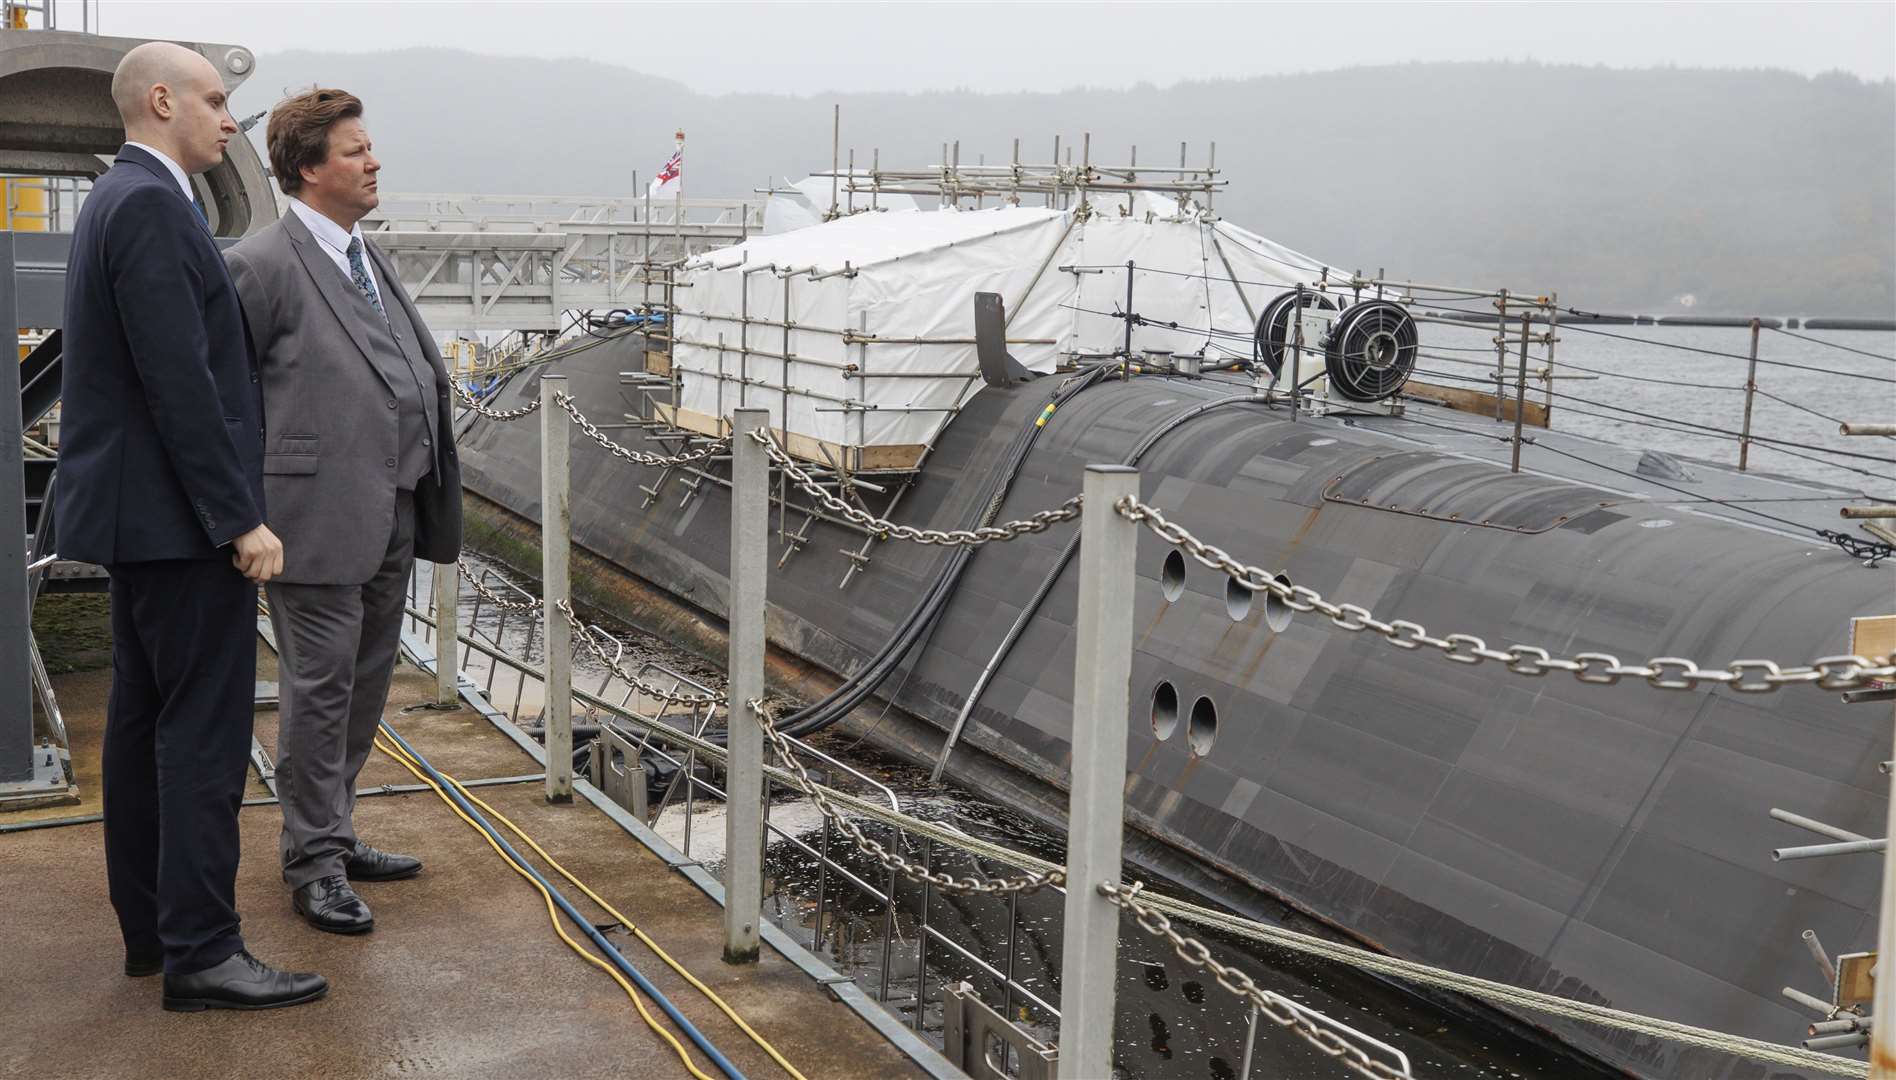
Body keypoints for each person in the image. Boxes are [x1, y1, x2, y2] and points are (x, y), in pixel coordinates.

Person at [57, 42, 325, 1011]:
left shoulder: (115, 204)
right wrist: (239, 520)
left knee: (140, 732)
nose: (229, 118)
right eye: (215, 100)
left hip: (141, 522)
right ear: (161, 100)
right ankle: (204, 950)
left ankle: (154, 935)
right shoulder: (151, 208)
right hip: (180, 527)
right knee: (204, 740)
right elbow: (185, 386)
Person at [226, 88, 463, 935]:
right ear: (309, 167)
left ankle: (334, 829)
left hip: (393, 504)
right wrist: (241, 513)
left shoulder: (366, 254)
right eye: (356, 151)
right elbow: (227, 397)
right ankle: (313, 863)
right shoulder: (262, 264)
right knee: (318, 690)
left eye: (370, 149)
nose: (373, 163)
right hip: (310, 518)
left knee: (364, 686)